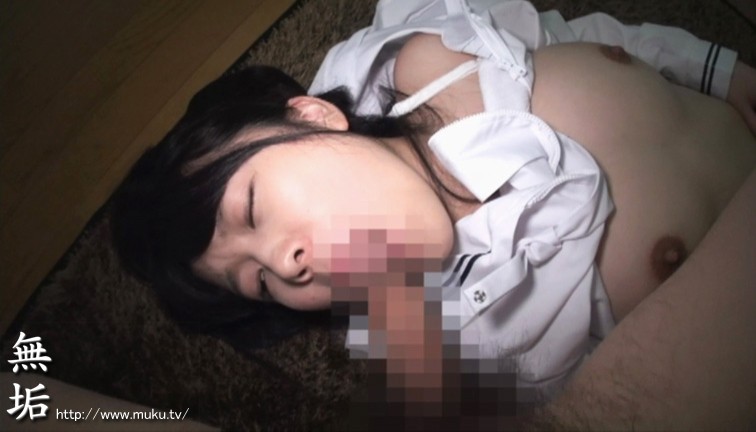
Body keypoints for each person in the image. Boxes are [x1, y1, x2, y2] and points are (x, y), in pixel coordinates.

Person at [111, 0, 756, 428]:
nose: (286, 262)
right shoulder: (477, 348)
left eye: (252, 208)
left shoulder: (426, 52)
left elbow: (581, 37)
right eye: (260, 282)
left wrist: (716, 70)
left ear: (311, 115)